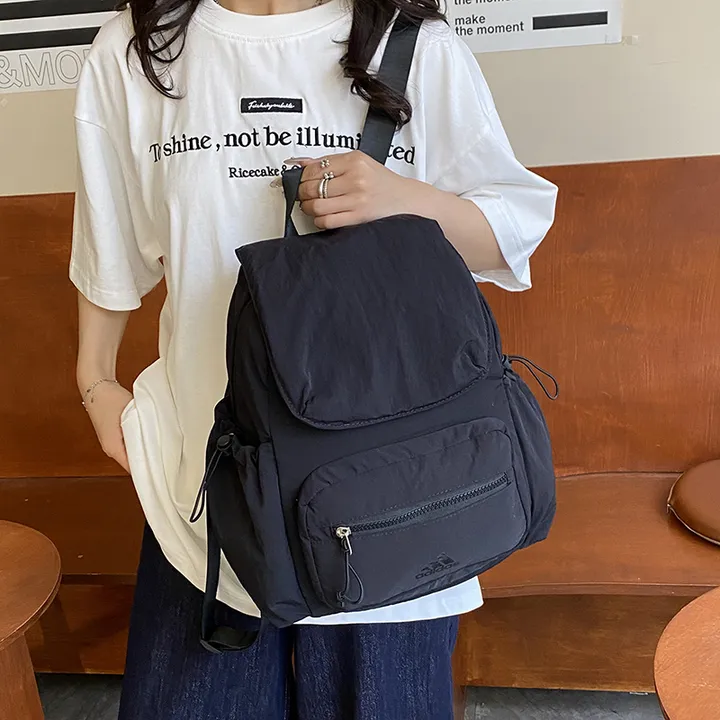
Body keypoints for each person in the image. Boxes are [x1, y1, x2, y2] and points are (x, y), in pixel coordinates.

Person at [70, 0, 557, 716]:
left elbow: (511, 231)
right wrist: (94, 381)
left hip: (399, 494)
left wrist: (402, 199)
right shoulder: (138, 50)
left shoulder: (414, 45)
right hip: (205, 492)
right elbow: (108, 241)